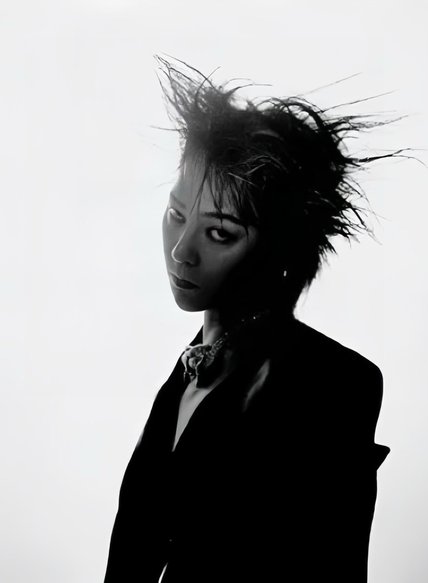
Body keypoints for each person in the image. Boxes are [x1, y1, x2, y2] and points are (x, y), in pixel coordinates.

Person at [103, 55, 397, 583]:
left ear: (278, 248)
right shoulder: (183, 377)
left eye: (219, 232)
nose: (181, 251)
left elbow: (335, 568)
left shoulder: (333, 382)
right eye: (176, 214)